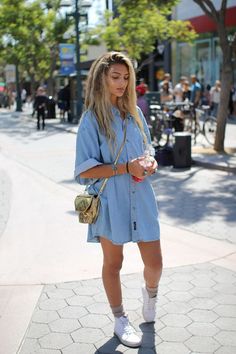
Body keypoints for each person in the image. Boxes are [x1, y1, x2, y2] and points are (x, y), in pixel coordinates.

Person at [74, 52, 162, 348]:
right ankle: (119, 318)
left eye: (126, 77)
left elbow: (149, 150)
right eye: (115, 77)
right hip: (110, 201)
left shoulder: (136, 114)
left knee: (156, 263)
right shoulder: (91, 119)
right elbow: (85, 171)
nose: (122, 83)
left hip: (142, 197)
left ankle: (150, 294)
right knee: (114, 263)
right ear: (102, 78)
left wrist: (150, 164)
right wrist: (125, 167)